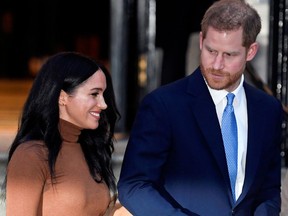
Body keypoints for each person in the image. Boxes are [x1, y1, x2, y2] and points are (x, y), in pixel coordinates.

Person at [117, 0, 283, 215]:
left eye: (229, 55)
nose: (216, 64)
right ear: (201, 41)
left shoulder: (268, 109)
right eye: (211, 51)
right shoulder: (163, 105)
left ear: (250, 52)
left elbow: (268, 189)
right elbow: (134, 185)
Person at [4, 52, 131, 215]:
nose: (104, 104)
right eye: (94, 94)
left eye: (103, 94)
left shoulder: (88, 149)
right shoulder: (31, 155)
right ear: (62, 97)